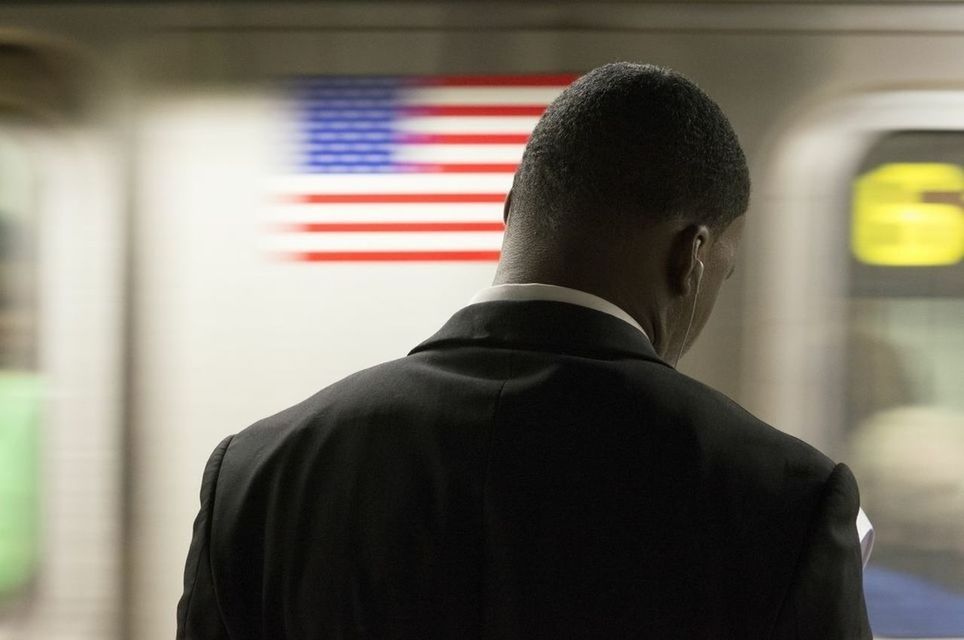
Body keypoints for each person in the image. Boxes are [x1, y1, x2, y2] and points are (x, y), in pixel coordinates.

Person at [177, 62, 872, 639]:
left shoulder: (257, 476)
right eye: (727, 266)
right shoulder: (784, 500)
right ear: (691, 256)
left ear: (511, 208)